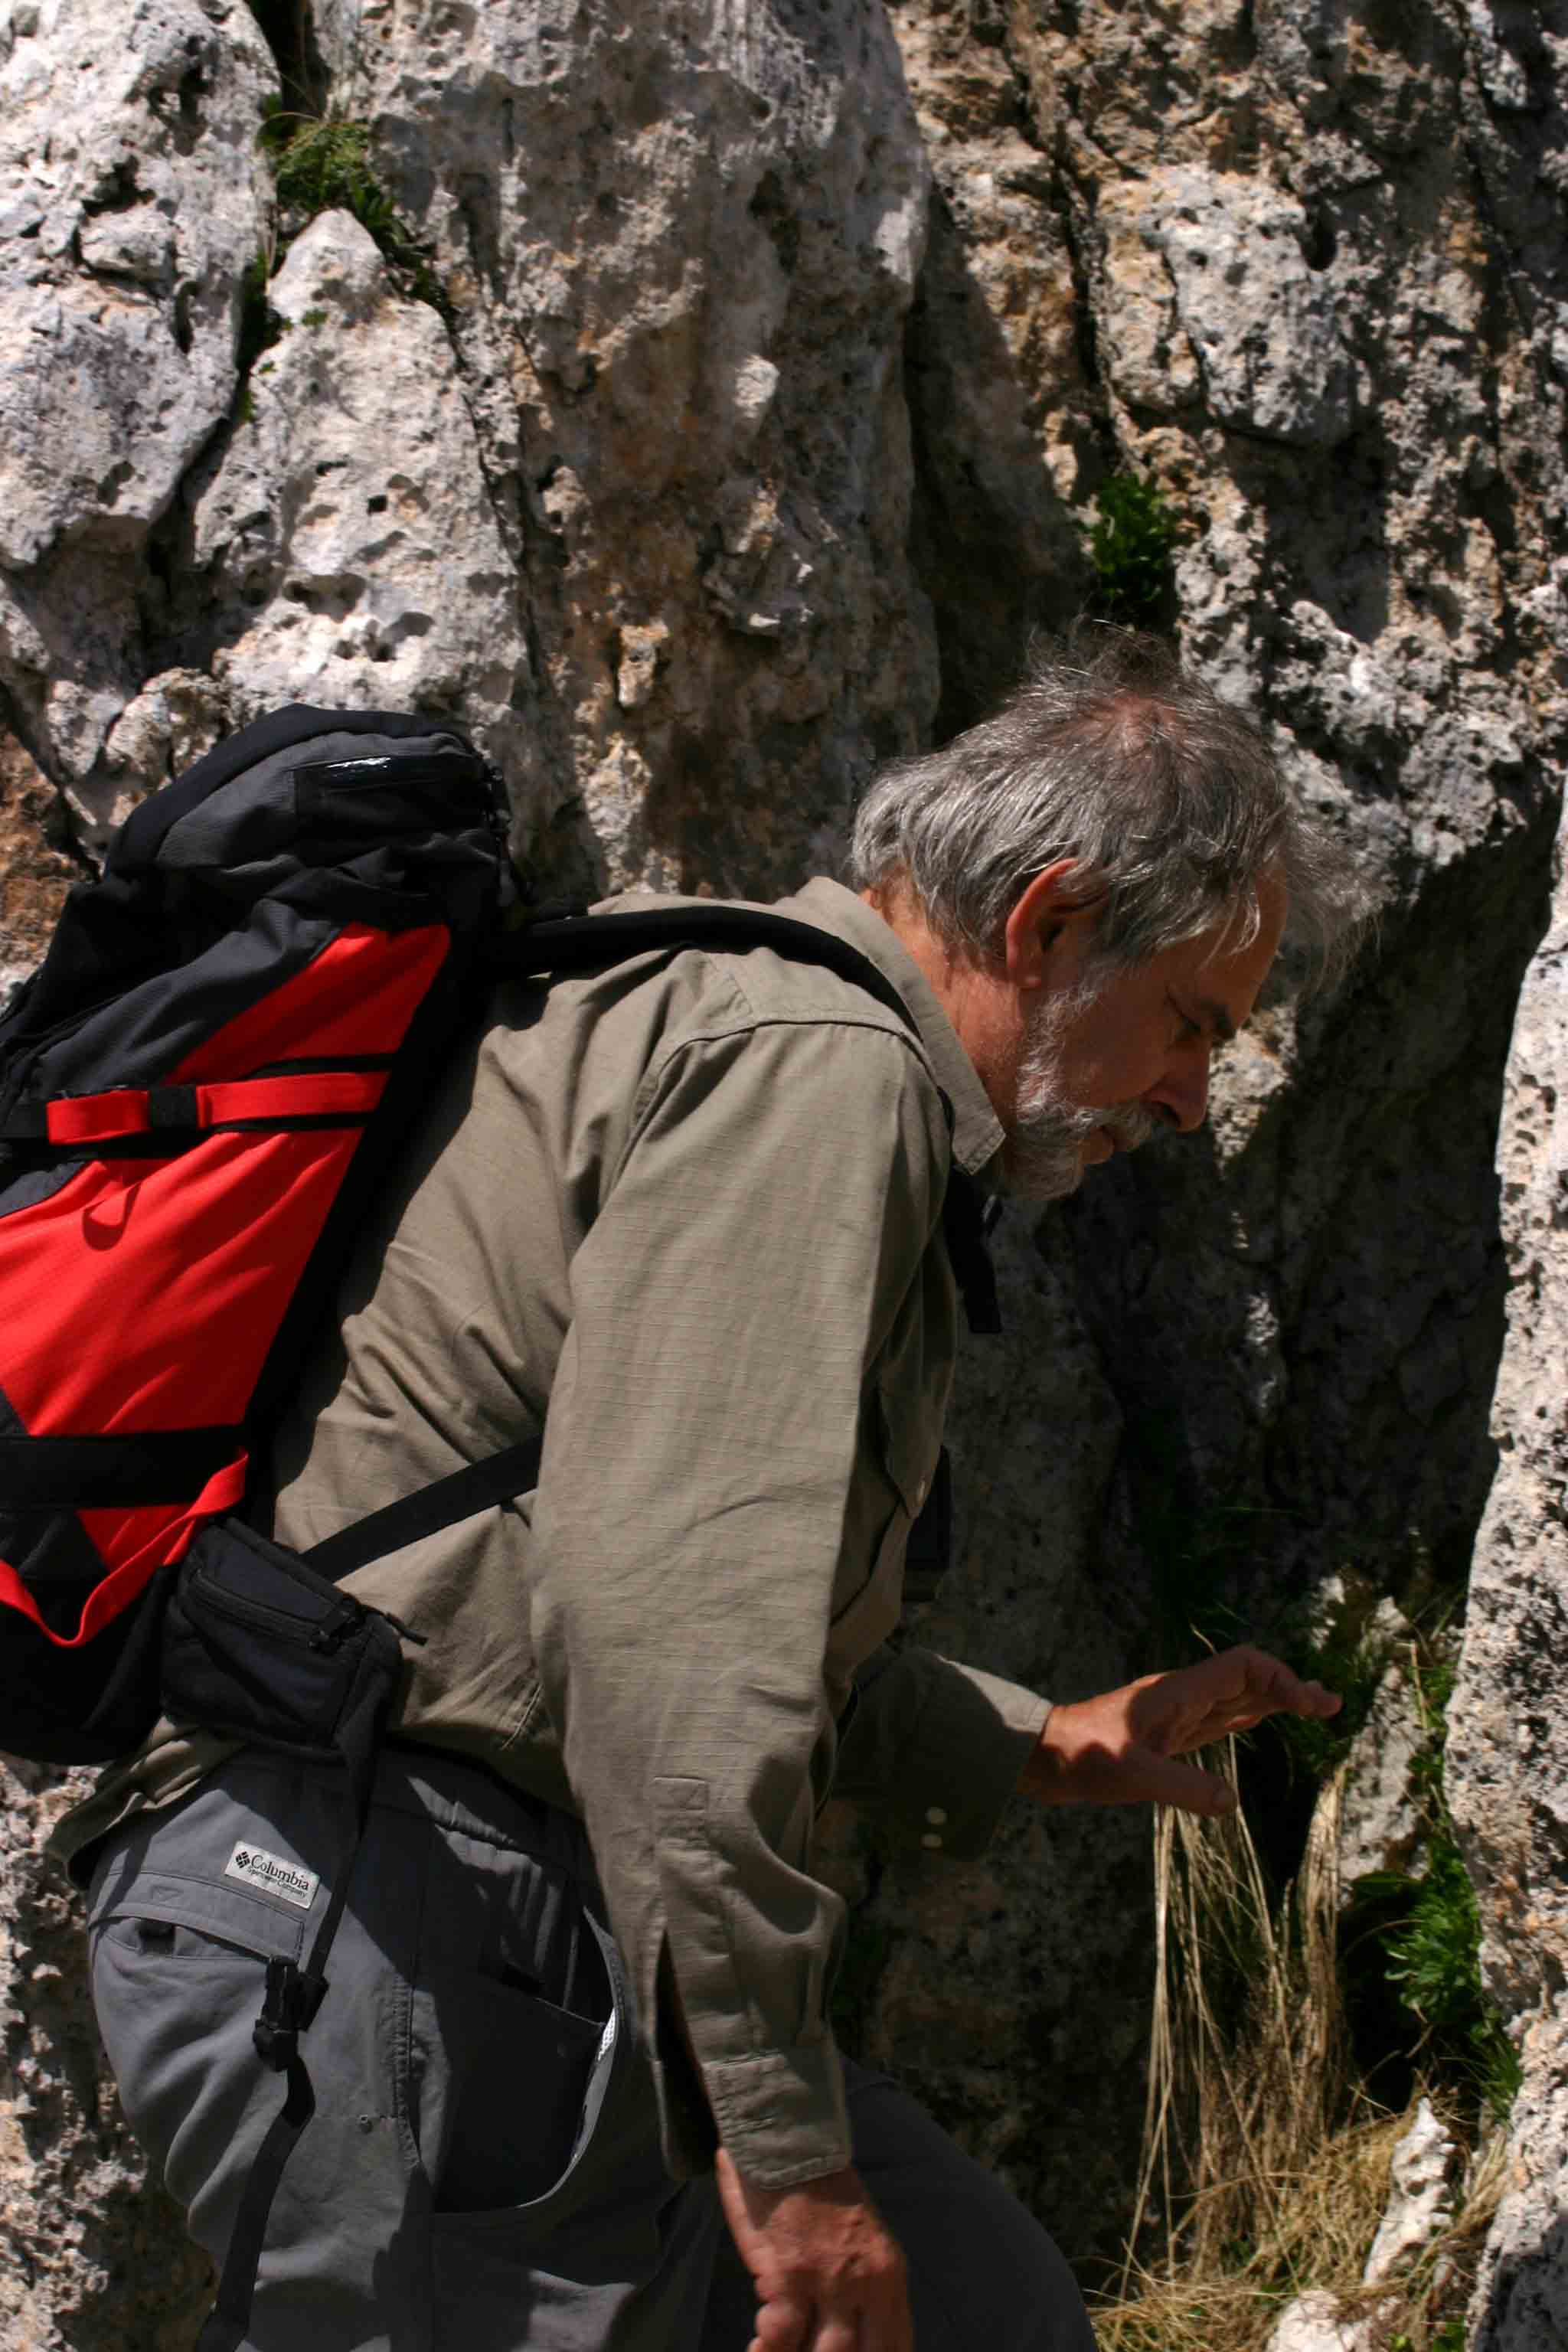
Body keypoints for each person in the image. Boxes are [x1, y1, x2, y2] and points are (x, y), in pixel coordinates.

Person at [58, 626, 1366, 2352]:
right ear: (1046, 924)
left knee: (985, 2308)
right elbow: (669, 1634)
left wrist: (1043, 1740)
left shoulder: (757, 1037)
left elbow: (613, 1587)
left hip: (487, 1927)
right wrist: (784, 2148)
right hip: (393, 1919)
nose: (1196, 1096)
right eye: (1191, 1024)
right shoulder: (816, 1073)